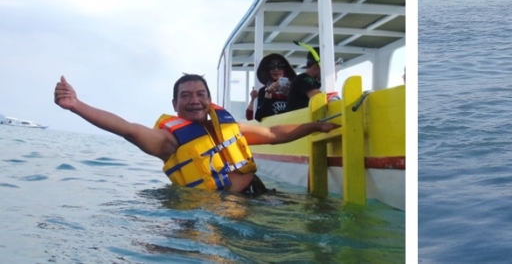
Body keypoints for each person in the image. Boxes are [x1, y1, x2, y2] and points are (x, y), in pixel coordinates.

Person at [53, 74, 339, 195]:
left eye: (200, 94)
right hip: (213, 211)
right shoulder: (168, 141)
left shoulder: (228, 128)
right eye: (186, 96)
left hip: (257, 196)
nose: (194, 100)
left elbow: (274, 132)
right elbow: (127, 128)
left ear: (210, 100)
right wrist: (76, 105)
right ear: (175, 105)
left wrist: (316, 126)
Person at [245, 53, 297, 121]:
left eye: (280, 66)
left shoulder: (295, 90)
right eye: (271, 66)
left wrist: (291, 95)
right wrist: (268, 93)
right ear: (267, 71)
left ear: (285, 69)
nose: (276, 69)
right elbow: (258, 118)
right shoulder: (263, 91)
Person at [286, 46, 323, 112]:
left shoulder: (314, 82)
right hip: (297, 120)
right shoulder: (303, 79)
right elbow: (319, 100)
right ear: (316, 66)